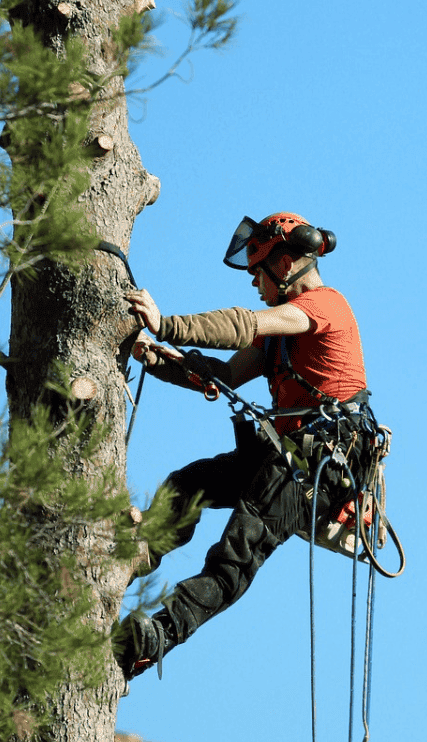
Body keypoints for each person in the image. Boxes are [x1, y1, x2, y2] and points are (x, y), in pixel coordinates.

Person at [115, 211, 374, 680]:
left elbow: (242, 324)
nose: (254, 280)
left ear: (286, 264)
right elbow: (226, 374)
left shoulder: (322, 307)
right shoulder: (280, 338)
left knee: (236, 553)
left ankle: (158, 637)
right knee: (187, 484)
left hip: (318, 465)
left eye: (258, 269)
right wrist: (164, 361)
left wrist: (166, 324)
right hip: (285, 455)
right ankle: (135, 554)